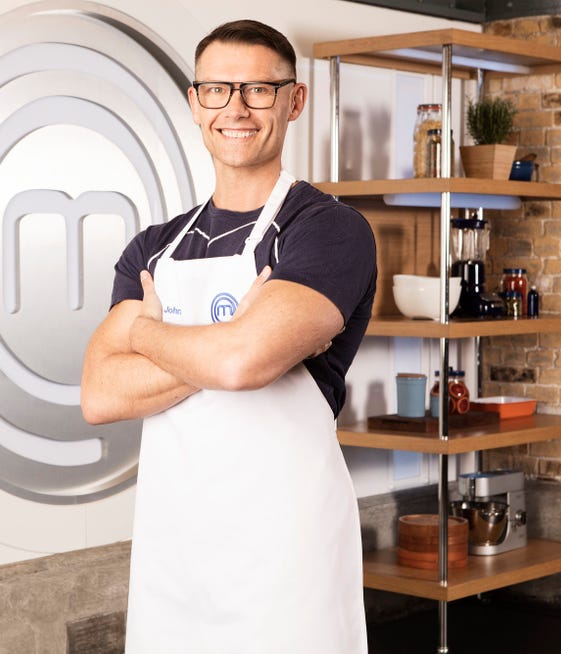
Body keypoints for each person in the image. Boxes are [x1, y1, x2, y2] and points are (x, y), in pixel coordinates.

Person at [81, 19, 375, 654]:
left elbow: (246, 364)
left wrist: (147, 329)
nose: (236, 109)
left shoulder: (327, 230)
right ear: (195, 102)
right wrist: (230, 332)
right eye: (217, 90)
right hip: (175, 552)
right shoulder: (151, 247)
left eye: (258, 91)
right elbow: (101, 394)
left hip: (285, 562)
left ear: (294, 101)